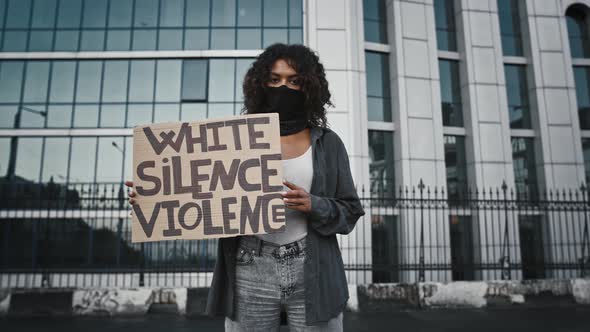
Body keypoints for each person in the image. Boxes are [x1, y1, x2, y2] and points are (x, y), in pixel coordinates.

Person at [126, 43, 365, 331]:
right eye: (275, 80)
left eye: (293, 80)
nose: (283, 87)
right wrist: (156, 196)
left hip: (312, 268)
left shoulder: (328, 143)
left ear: (309, 87)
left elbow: (350, 210)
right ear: (261, 84)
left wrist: (314, 204)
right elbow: (200, 194)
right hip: (250, 264)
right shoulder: (235, 139)